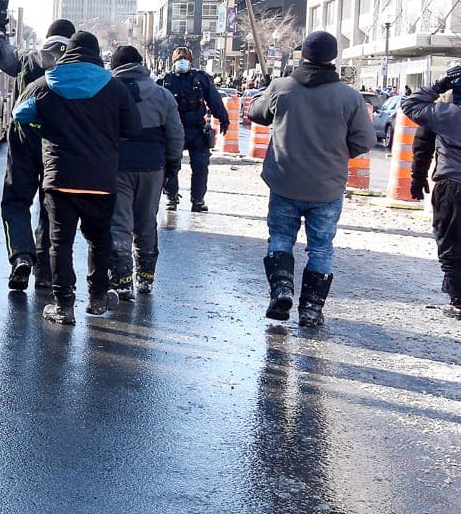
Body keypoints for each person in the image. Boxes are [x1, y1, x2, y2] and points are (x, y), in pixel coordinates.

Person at [246, 31, 376, 326]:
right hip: (327, 185)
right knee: (321, 247)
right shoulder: (349, 96)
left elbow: (256, 112)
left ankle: (281, 290)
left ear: (302, 54)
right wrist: (339, 153)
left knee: (280, 237)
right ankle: (311, 309)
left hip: (284, 179)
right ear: (333, 58)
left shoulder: (283, 87)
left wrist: (264, 92)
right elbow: (365, 140)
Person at [11, 31, 139, 324]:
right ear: (96, 54)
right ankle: (96, 298)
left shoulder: (46, 84)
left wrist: (45, 126)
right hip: (101, 181)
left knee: (61, 243)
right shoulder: (115, 88)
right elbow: (133, 128)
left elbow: (20, 115)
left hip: (60, 179)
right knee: (100, 241)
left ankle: (64, 304)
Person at [0, 0, 75, 293]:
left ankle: (21, 257)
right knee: (52, 204)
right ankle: (46, 272)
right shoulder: (78, 65)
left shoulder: (29, 59)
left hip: (24, 136)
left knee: (16, 200)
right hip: (61, 144)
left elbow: (0, 53)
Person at [107, 45, 183, 297]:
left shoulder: (108, 92)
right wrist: (172, 166)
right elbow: (175, 135)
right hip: (152, 167)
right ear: (141, 65)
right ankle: (146, 277)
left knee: (119, 223)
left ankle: (122, 280)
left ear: (114, 67)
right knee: (146, 221)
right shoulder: (163, 95)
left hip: (118, 166)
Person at [403, 62, 461, 318]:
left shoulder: (443, 114)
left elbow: (410, 105)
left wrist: (439, 84)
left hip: (452, 185)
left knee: (450, 242)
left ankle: (458, 298)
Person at [160, 45, 229, 213]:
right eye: (178, 60)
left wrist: (223, 118)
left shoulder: (200, 79)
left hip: (197, 130)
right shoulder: (165, 81)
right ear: (173, 62)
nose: (182, 63)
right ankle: (171, 197)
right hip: (174, 130)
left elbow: (214, 100)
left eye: (185, 60)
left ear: (191, 62)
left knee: (200, 166)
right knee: (170, 165)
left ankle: (198, 200)